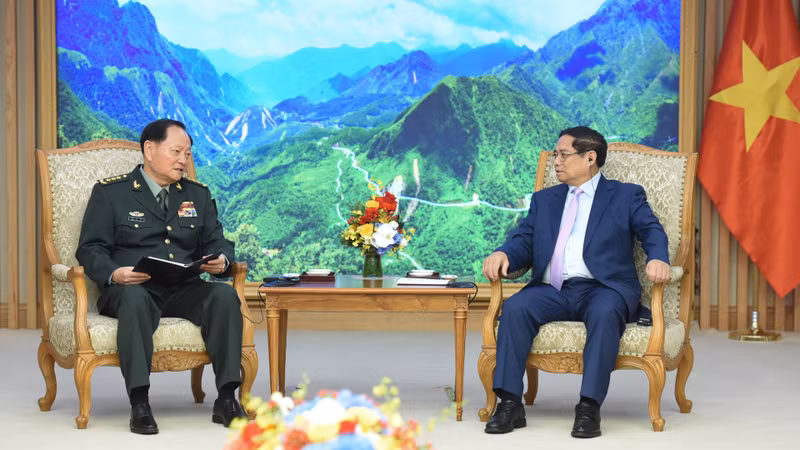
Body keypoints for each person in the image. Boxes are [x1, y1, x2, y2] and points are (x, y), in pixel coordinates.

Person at [482, 126, 670, 438]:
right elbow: (524, 240)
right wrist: (504, 253)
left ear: (590, 158)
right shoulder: (545, 200)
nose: (556, 161)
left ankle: (588, 407)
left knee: (604, 313)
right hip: (552, 290)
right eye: (555, 154)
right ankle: (510, 403)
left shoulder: (625, 195)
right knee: (515, 308)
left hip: (603, 289)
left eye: (563, 155)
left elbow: (652, 230)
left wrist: (658, 258)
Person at [76, 119, 247, 435]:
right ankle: (139, 402)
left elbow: (218, 242)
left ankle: (226, 398)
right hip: (133, 288)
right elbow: (90, 248)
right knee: (135, 298)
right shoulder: (111, 193)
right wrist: (115, 273)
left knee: (224, 295)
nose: (184, 160)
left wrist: (221, 260)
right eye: (176, 152)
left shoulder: (196, 195)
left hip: (184, 287)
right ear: (149, 149)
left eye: (188, 153)